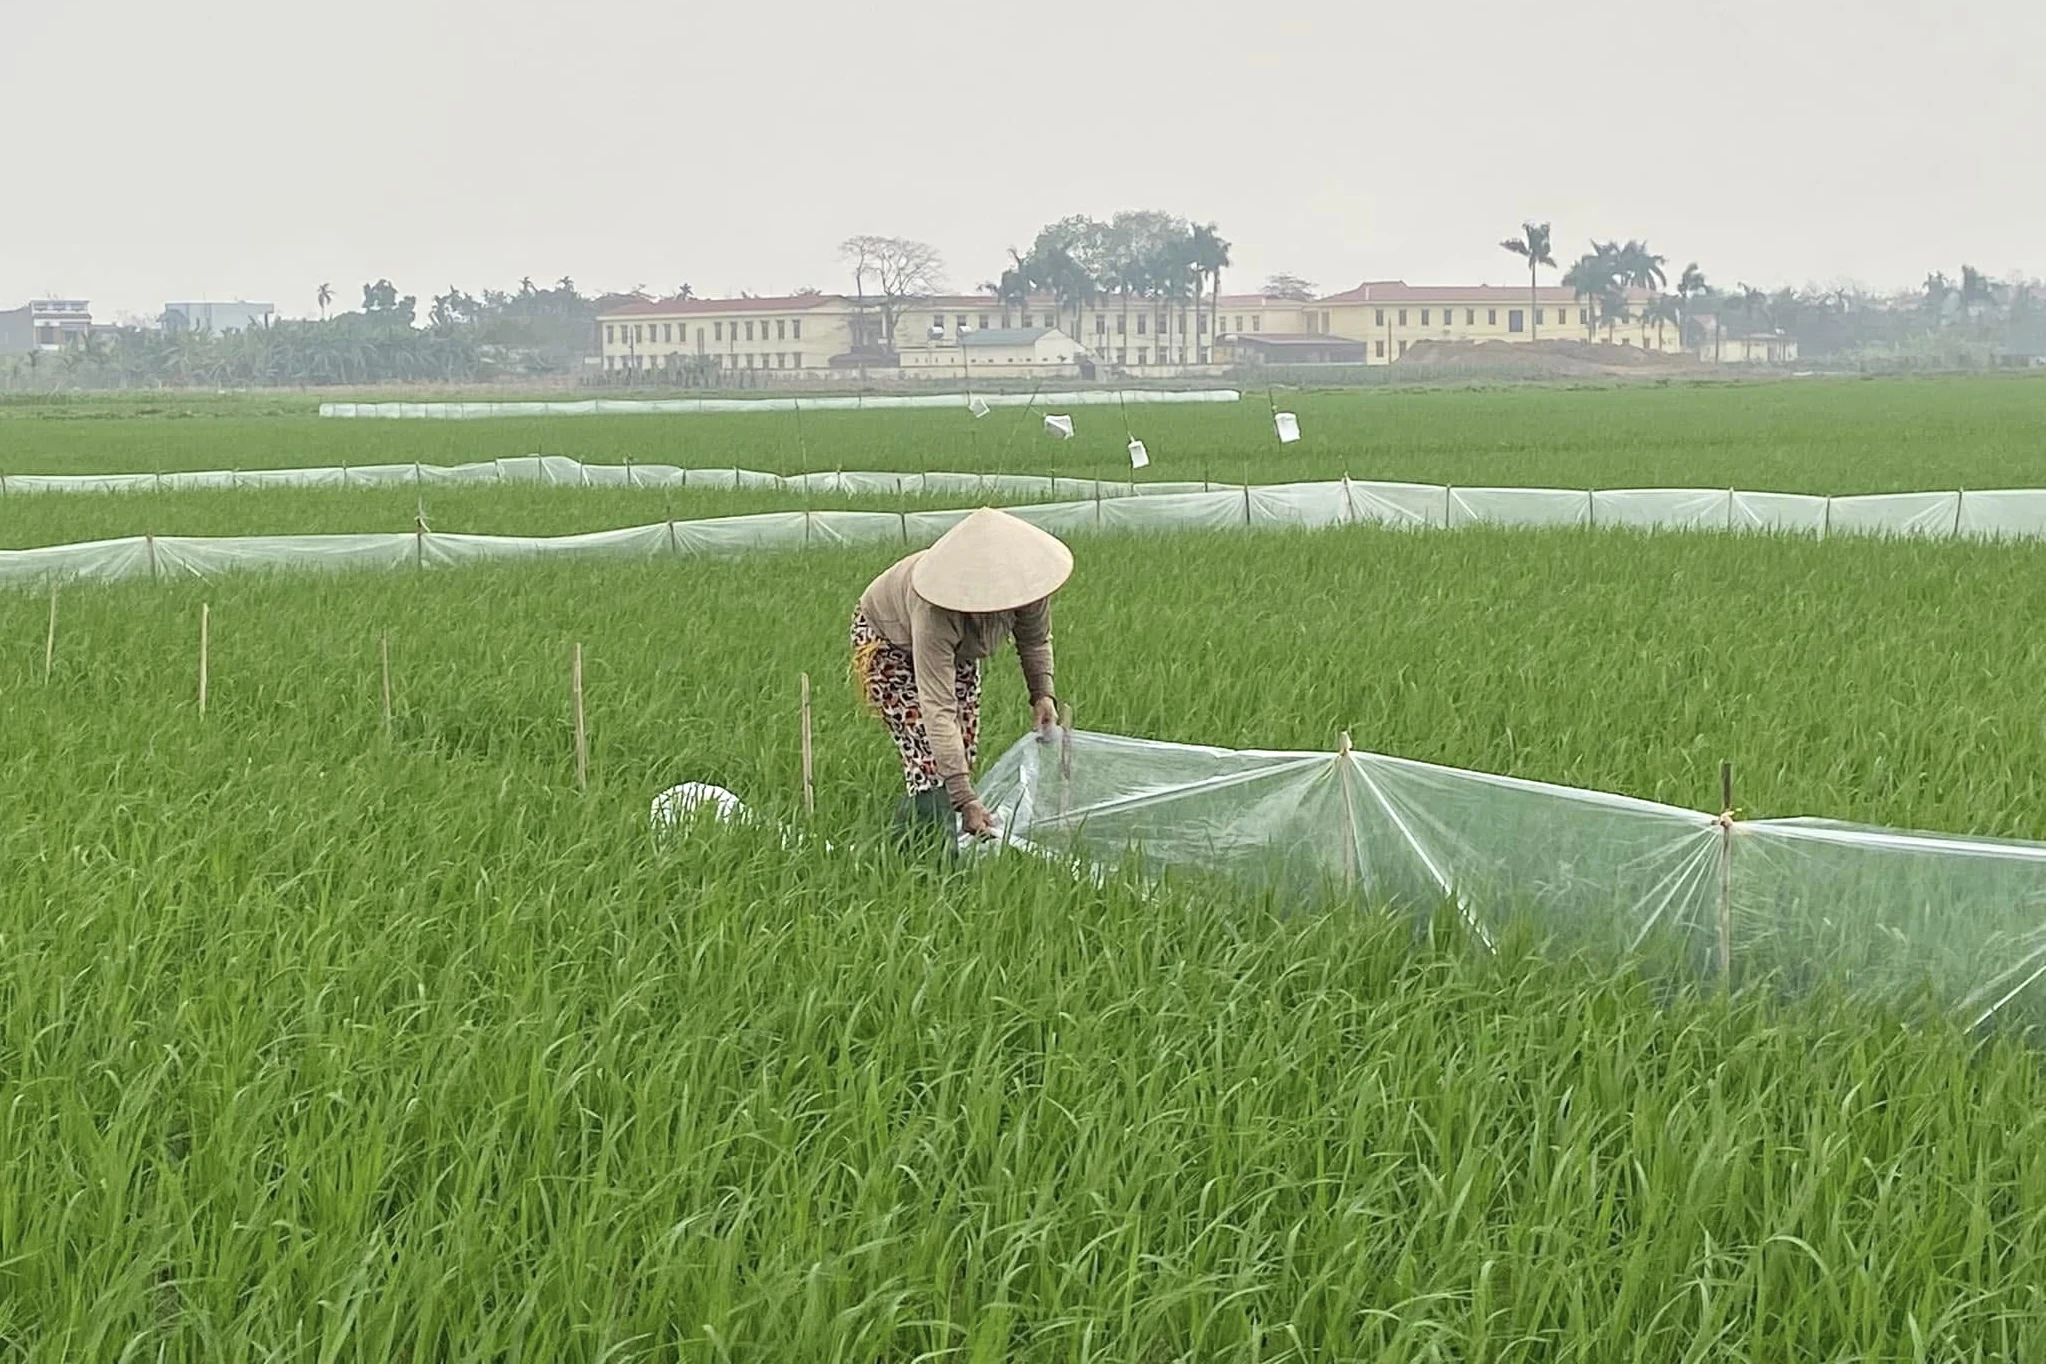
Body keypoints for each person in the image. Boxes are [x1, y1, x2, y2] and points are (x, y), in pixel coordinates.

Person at [851, 507, 1070, 839]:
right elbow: (936, 707)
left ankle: (934, 830)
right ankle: (925, 855)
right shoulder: (935, 610)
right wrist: (964, 796)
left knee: (963, 746)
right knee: (927, 752)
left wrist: (1042, 694)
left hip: (962, 646)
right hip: (888, 644)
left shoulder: (1026, 586)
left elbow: (1035, 639)